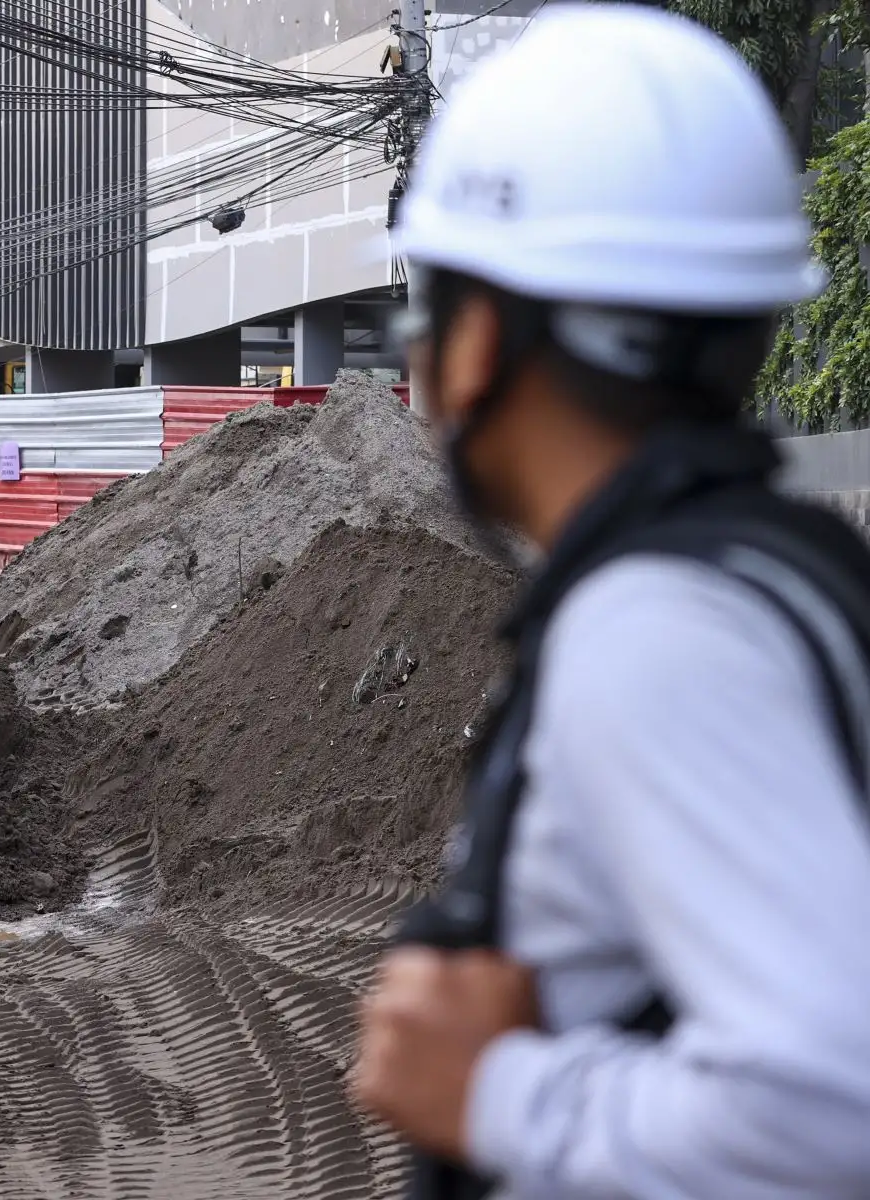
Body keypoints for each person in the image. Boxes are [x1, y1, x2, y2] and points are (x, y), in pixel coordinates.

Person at [349, 6, 870, 1198]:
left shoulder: (657, 632)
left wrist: (493, 1094)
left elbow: (834, 1100)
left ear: (478, 344)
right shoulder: (785, 578)